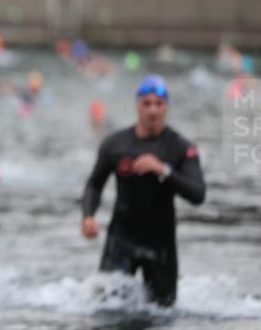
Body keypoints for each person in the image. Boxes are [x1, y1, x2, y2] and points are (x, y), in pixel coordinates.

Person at [81, 74, 206, 306]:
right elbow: (95, 184)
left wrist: (163, 170)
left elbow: (198, 194)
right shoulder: (115, 144)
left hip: (161, 246)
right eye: (146, 103)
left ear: (166, 106)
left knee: (163, 315)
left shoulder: (180, 147)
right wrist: (88, 216)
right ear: (137, 105)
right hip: (120, 241)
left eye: (158, 104)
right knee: (107, 310)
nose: (152, 110)